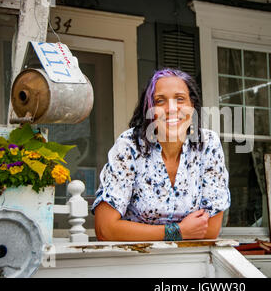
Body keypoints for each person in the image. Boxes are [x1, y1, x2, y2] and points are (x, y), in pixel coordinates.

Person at [92, 68, 230, 241]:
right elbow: (105, 229)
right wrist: (177, 231)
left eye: (180, 99)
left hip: (191, 260)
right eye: (160, 101)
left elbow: (209, 230)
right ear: (149, 109)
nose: (171, 109)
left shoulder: (208, 145)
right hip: (132, 260)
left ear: (192, 106)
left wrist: (134, 230)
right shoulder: (129, 145)